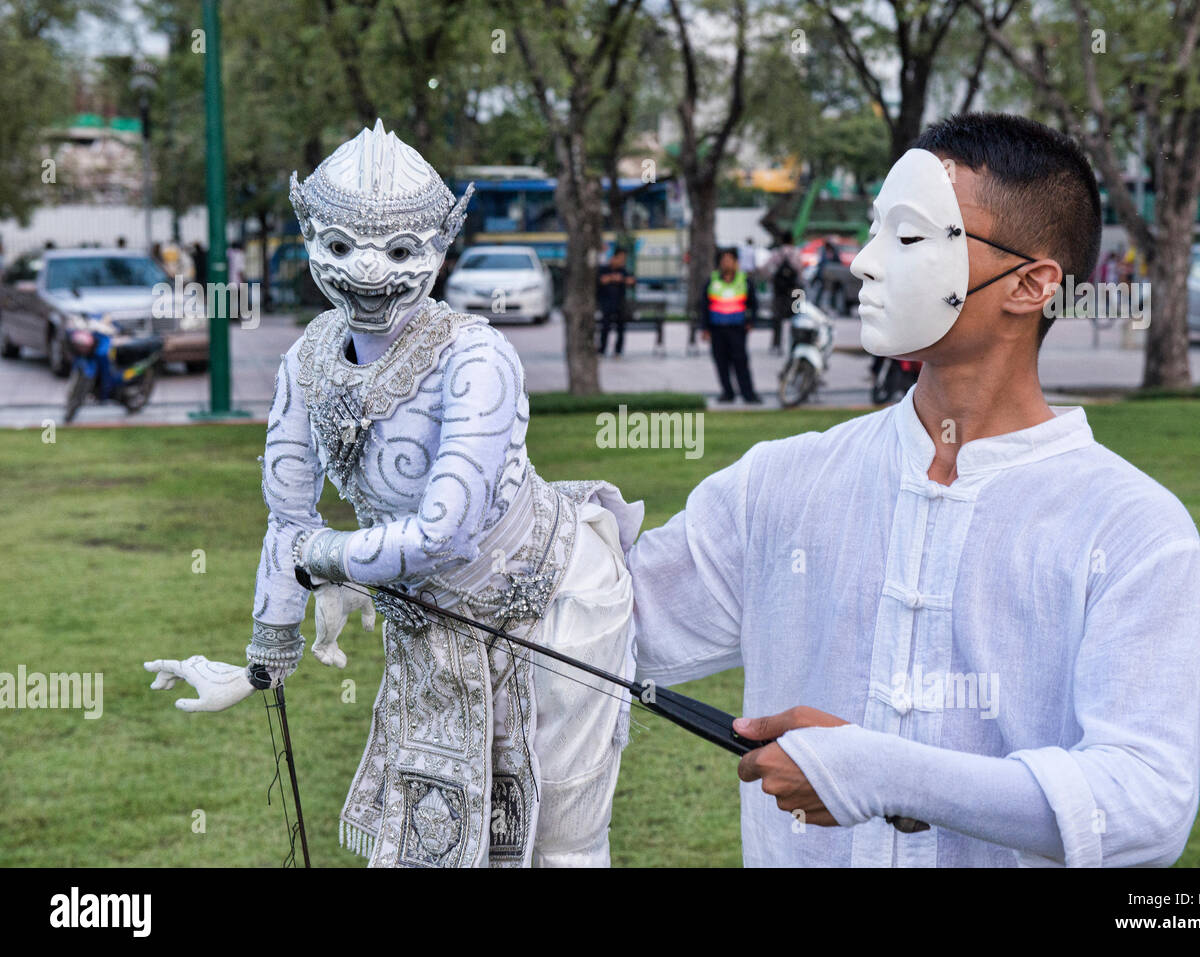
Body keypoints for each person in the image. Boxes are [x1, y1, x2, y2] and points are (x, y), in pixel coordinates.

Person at [627, 112, 1200, 867]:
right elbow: (612, 614)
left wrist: (882, 771)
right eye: (876, 230)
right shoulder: (780, 482)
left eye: (908, 237)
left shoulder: (1133, 530)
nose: (867, 262)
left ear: (1031, 284)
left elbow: (1145, 802)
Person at [144, 120, 643, 868]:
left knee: (561, 848)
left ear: (442, 247)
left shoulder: (477, 357)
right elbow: (288, 521)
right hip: (429, 627)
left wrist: (328, 560)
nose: (368, 273)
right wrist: (259, 663)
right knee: (424, 847)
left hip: (553, 609)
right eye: (339, 246)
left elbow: (444, 531)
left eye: (402, 250)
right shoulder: (307, 358)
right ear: (309, 232)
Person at [699, 247, 760, 404]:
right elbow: (704, 306)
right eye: (723, 260)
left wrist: (751, 322)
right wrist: (705, 328)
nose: (726, 263)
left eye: (729, 260)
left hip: (737, 329)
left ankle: (748, 393)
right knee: (721, 362)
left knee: (741, 362)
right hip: (717, 329)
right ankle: (727, 393)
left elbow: (753, 304)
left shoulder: (744, 280)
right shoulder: (712, 281)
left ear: (735, 262)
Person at [761, 229, 803, 353]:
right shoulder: (796, 253)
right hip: (794, 290)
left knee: (777, 318)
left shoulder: (777, 253)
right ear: (792, 240)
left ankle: (776, 344)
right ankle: (795, 343)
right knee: (796, 316)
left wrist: (772, 279)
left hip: (779, 290)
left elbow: (765, 268)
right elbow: (800, 271)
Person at [597, 246, 635, 357]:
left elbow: (632, 280)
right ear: (614, 257)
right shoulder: (604, 268)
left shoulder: (623, 271)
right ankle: (602, 350)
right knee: (605, 326)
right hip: (606, 303)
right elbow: (601, 280)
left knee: (621, 327)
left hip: (620, 304)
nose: (623, 261)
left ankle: (618, 351)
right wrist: (613, 278)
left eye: (624, 259)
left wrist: (621, 279)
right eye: (621, 259)